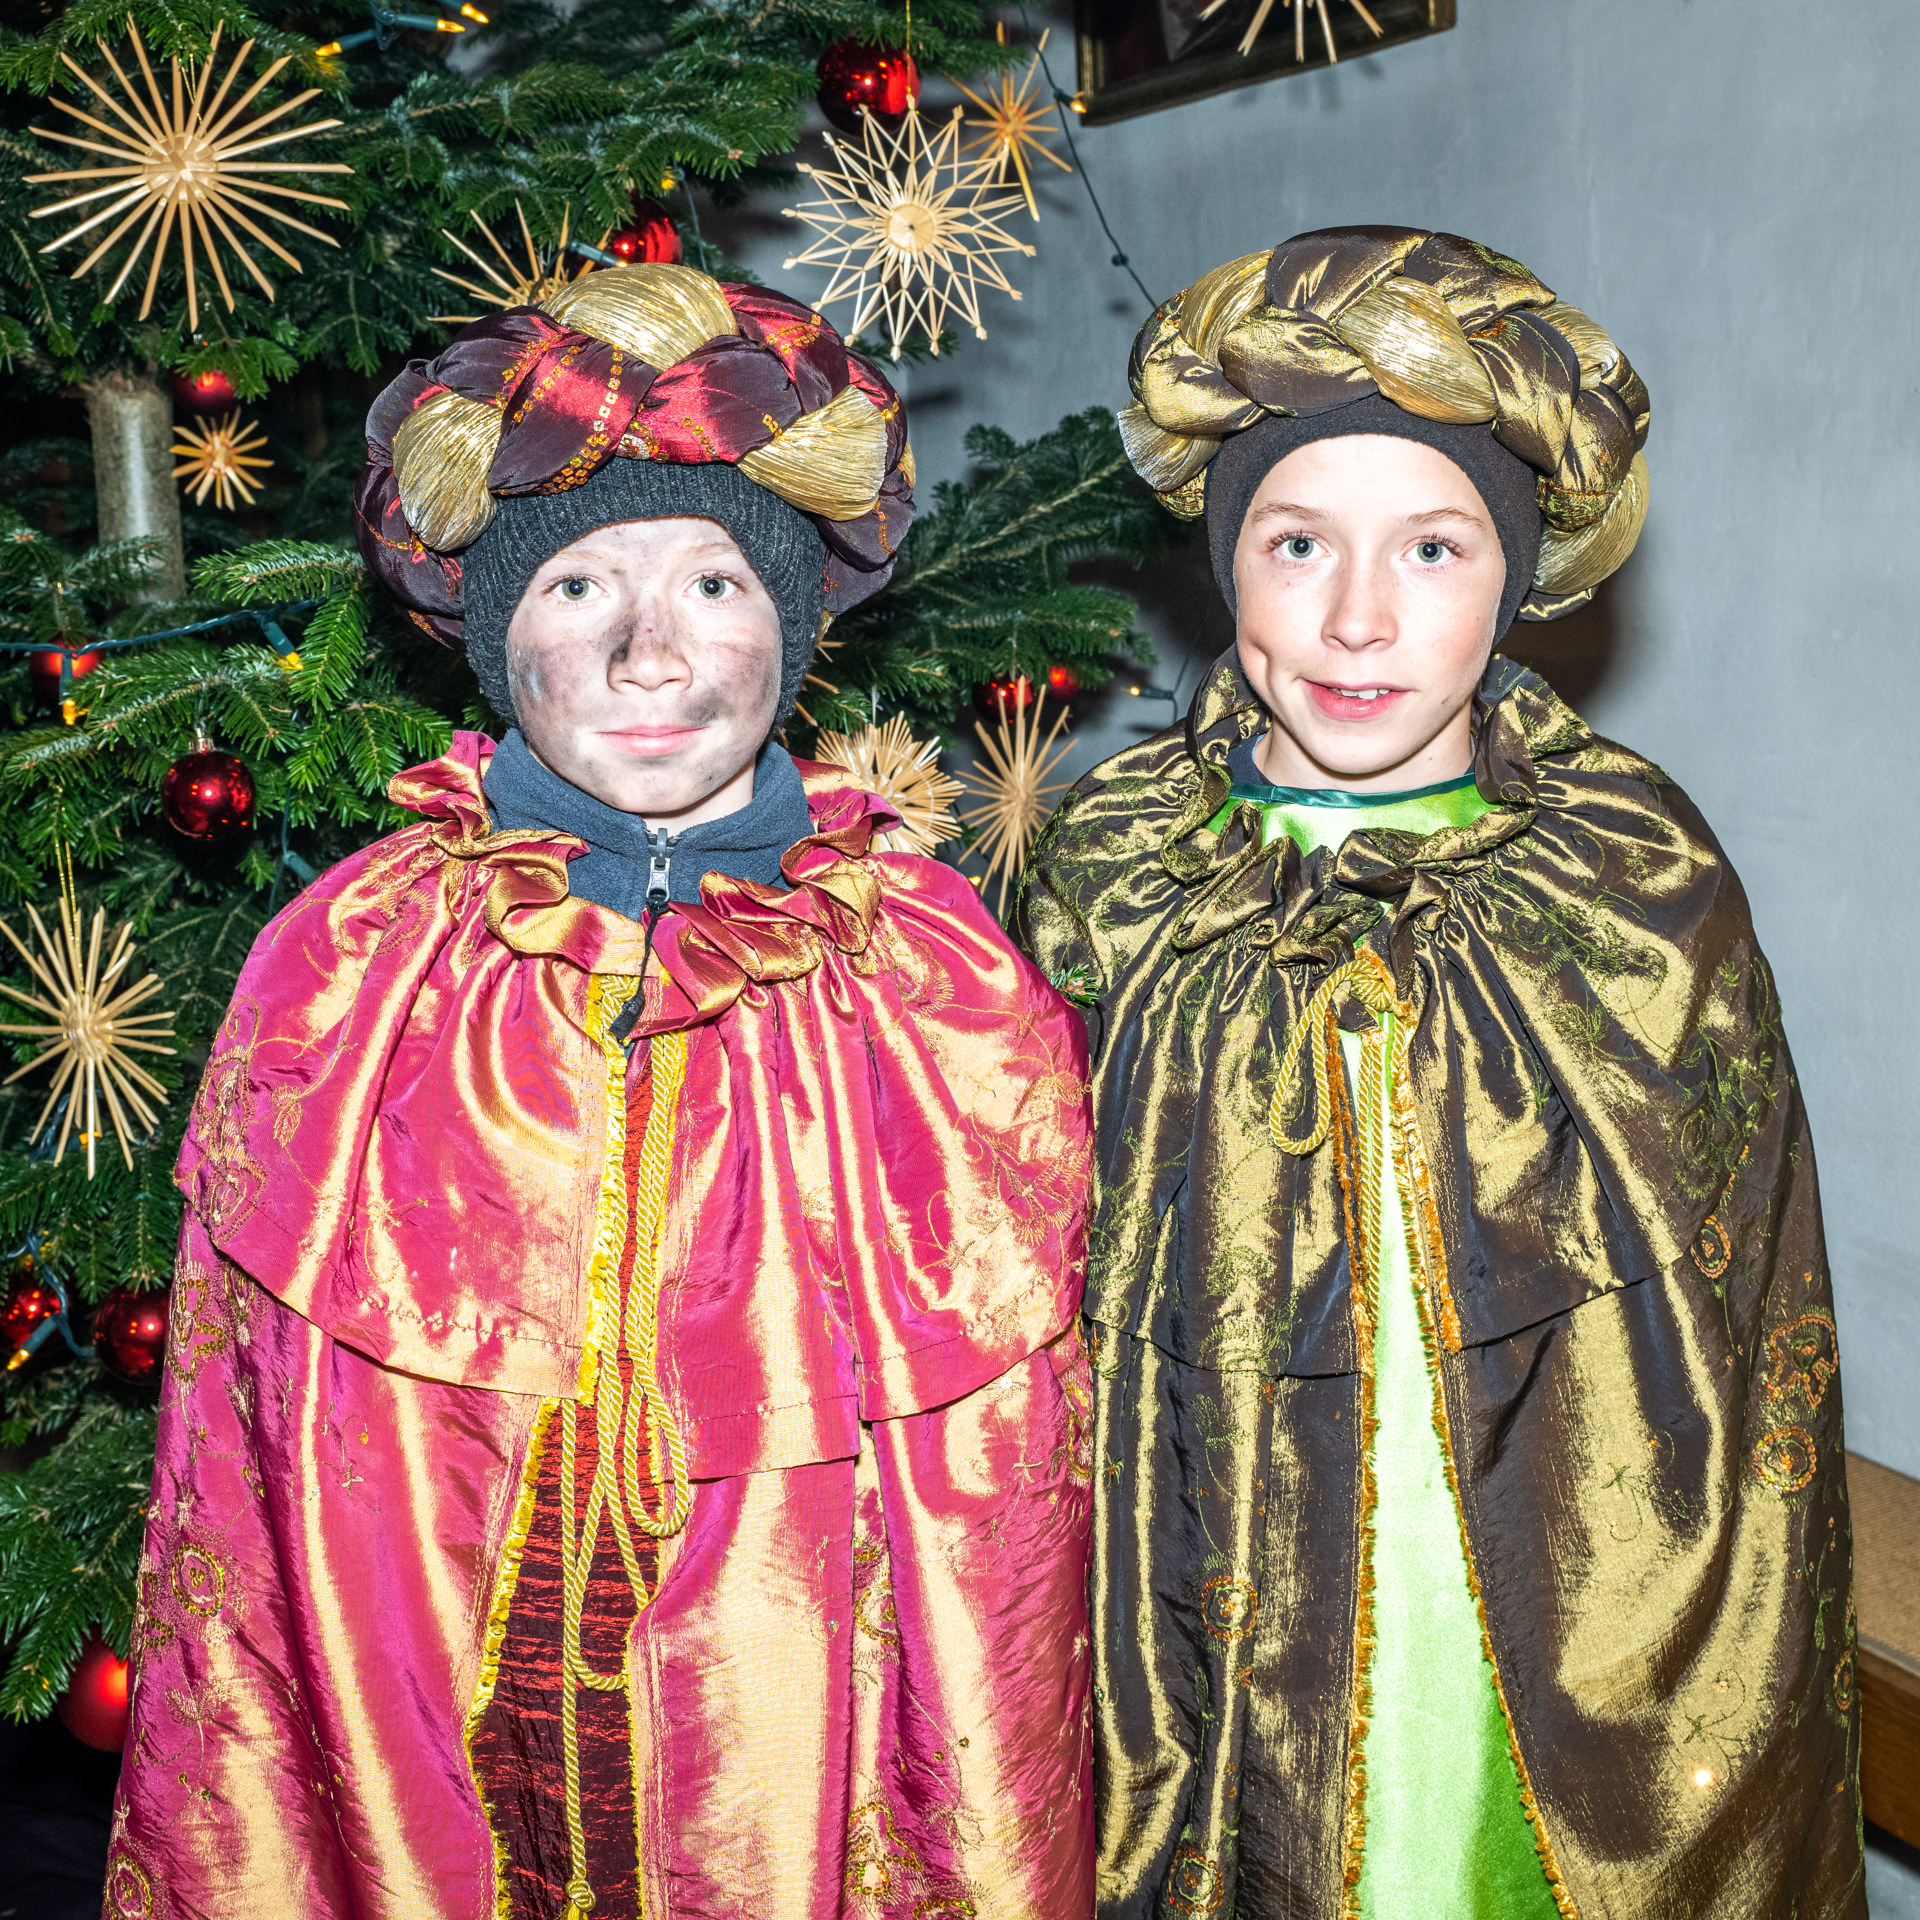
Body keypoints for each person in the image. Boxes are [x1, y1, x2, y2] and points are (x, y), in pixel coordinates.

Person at [105, 263, 1095, 1920]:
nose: (649, 652)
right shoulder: (352, 963)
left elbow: (999, 1507)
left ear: (795, 623)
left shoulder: (933, 977)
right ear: (497, 641)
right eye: (576, 586)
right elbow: (249, 1470)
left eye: (714, 581)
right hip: (425, 1730)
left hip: (792, 1756)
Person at [1018, 228, 1861, 1919]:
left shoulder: (1633, 876)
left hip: (1561, 1609)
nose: (1356, 617)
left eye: (1432, 546)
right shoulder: (1114, 867)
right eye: (1296, 542)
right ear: (1225, 562)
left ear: (1518, 573)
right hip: (1209, 1589)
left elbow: (1751, 1319)